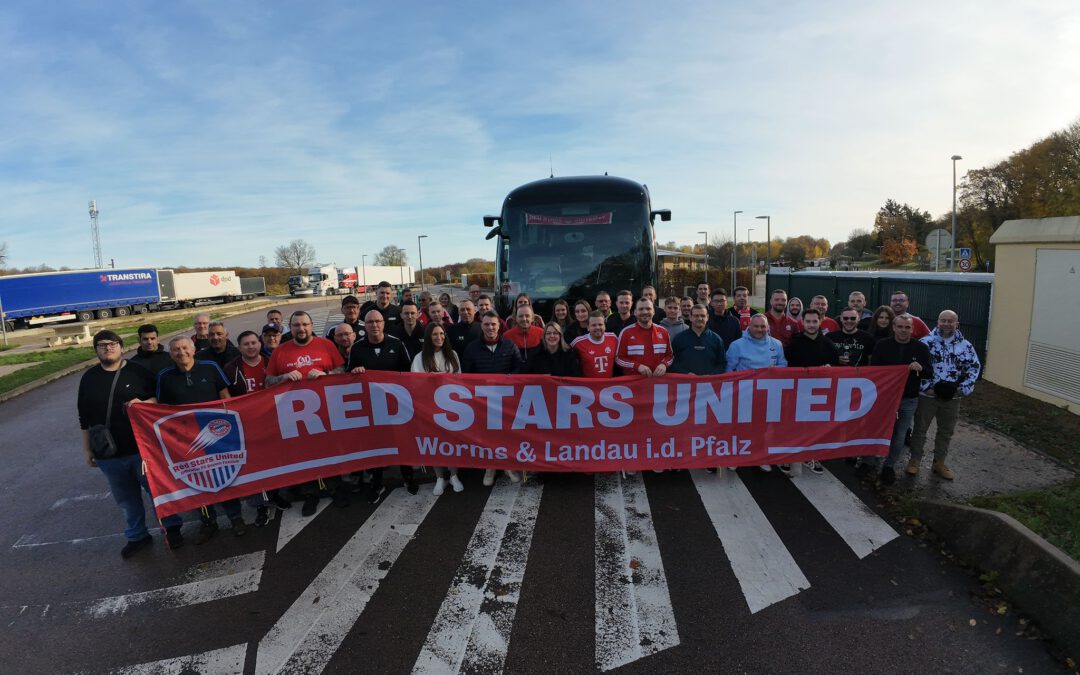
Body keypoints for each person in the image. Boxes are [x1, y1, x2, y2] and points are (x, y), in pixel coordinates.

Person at [77, 330, 182, 557]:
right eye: (102, 345)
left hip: (141, 449)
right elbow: (84, 418)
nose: (108, 348)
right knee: (126, 499)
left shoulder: (138, 372)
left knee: (157, 491)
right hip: (108, 453)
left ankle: (172, 527)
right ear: (96, 350)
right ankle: (137, 535)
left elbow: (160, 399)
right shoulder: (89, 378)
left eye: (112, 344)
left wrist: (144, 403)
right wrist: (87, 449)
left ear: (121, 347)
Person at [156, 336, 246, 543]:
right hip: (185, 440)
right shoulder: (164, 376)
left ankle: (236, 518)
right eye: (176, 349)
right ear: (171, 354)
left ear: (194, 349)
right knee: (196, 482)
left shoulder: (210, 367)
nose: (181, 353)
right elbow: (162, 409)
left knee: (225, 477)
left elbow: (225, 397)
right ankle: (208, 522)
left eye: (185, 348)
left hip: (218, 433)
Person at [265, 311, 344, 514]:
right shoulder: (280, 351)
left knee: (330, 450)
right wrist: (283, 377)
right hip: (295, 415)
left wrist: (326, 373)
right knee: (304, 455)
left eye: (305, 324)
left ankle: (335, 488)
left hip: (327, 411)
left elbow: (342, 371)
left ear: (311, 326)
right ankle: (311, 494)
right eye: (296, 325)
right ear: (290, 328)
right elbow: (268, 382)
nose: (301, 328)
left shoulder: (326, 345)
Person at [348, 310, 416, 502]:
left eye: (378, 321)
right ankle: (376, 483)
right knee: (375, 445)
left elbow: (409, 373)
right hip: (371, 407)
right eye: (370, 322)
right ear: (365, 325)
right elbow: (348, 376)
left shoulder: (396, 343)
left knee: (401, 442)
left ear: (383, 324)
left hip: (397, 406)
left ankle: (408, 477)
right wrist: (355, 371)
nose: (374, 325)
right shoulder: (357, 348)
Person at [906, 310, 982, 480]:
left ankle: (939, 463)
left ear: (957, 324)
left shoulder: (966, 346)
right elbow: (915, 367)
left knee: (946, 431)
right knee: (920, 429)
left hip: (952, 397)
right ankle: (915, 460)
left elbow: (974, 368)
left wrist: (962, 389)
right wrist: (926, 388)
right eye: (943, 320)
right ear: (938, 322)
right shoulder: (925, 343)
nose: (946, 324)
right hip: (928, 396)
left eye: (950, 321)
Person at [865, 315, 932, 485]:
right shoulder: (882, 345)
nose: (903, 330)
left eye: (907, 327)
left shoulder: (921, 348)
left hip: (908, 399)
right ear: (894, 327)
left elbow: (929, 373)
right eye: (900, 326)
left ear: (912, 329)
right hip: (884, 397)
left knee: (900, 434)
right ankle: (868, 461)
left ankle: (889, 466)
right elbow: (875, 371)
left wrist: (921, 368)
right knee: (876, 429)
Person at [223, 330, 278, 526]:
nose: (251, 346)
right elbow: (225, 396)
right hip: (246, 423)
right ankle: (259, 505)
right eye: (246, 344)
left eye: (254, 342)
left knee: (274, 459)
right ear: (239, 347)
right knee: (253, 464)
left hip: (272, 418)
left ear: (260, 343)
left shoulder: (271, 361)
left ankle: (275, 495)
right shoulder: (231, 368)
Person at [462, 311, 524, 485]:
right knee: (487, 437)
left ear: (499, 326)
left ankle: (507, 466)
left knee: (506, 435)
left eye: (493, 324)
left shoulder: (510, 345)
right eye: (486, 324)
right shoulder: (472, 348)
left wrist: (509, 378)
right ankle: (490, 467)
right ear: (481, 326)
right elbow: (466, 375)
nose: (490, 327)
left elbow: (519, 368)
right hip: (482, 401)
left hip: (506, 400)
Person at [725, 315, 787, 472]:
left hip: (766, 394)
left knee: (762, 427)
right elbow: (728, 369)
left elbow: (783, 364)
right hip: (743, 394)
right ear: (749, 327)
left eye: (763, 326)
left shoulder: (776, 344)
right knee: (740, 426)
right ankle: (736, 455)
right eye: (756, 326)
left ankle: (759, 456)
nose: (760, 330)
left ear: (768, 327)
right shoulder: (737, 345)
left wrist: (776, 370)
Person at [411, 322, 465, 496]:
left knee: (451, 442)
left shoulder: (453, 354)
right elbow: (414, 383)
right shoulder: (420, 358)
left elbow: (459, 379)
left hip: (451, 407)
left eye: (441, 334)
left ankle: (454, 475)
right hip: (430, 408)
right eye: (435, 334)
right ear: (428, 337)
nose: (439, 337)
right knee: (434, 443)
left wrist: (442, 378)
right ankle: (440, 478)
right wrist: (431, 379)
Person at [615, 298, 672, 377]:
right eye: (641, 309)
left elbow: (670, 356)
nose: (645, 312)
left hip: (657, 382)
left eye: (648, 309)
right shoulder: (626, 333)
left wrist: (664, 364)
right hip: (634, 382)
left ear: (653, 311)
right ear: (635, 312)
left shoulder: (664, 332)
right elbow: (618, 359)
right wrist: (637, 366)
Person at [671, 304, 726, 375]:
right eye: (696, 316)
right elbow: (672, 362)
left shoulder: (716, 339)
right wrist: (686, 373)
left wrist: (711, 375)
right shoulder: (679, 338)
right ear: (690, 317)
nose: (700, 318)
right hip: (686, 381)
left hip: (709, 381)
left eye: (702, 316)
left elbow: (722, 364)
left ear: (707, 317)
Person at [572, 311, 619, 378]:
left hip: (608, 383)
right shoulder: (578, 342)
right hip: (589, 384)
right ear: (588, 327)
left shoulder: (613, 338)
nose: (597, 327)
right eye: (593, 325)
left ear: (605, 326)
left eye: (600, 324)